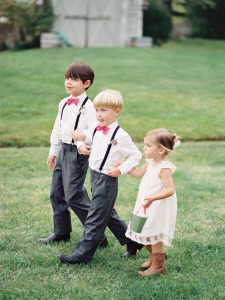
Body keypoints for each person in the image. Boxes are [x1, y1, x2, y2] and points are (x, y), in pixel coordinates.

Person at [58, 89, 143, 264]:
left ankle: (83, 254)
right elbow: (84, 138)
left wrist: (121, 169)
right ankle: (132, 241)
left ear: (117, 112)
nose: (99, 114)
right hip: (94, 177)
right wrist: (80, 145)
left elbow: (136, 155)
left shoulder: (120, 135)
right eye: (97, 110)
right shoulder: (95, 128)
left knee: (95, 218)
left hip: (107, 181)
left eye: (103, 110)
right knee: (108, 215)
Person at [39, 61, 107, 247]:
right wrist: (53, 152)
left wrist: (80, 144)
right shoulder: (63, 103)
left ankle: (98, 236)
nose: (68, 82)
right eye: (67, 78)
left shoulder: (91, 108)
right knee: (56, 193)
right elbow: (57, 128)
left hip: (78, 154)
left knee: (74, 196)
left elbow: (93, 135)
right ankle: (61, 233)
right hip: (63, 151)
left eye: (74, 79)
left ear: (86, 84)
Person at [124, 128, 180, 276]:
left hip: (156, 205)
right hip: (145, 203)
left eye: (148, 145)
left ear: (161, 150)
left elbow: (170, 189)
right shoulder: (150, 162)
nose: (144, 148)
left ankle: (157, 266)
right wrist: (123, 167)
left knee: (153, 233)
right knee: (142, 230)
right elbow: (138, 173)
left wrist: (153, 198)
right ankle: (152, 257)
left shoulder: (164, 168)